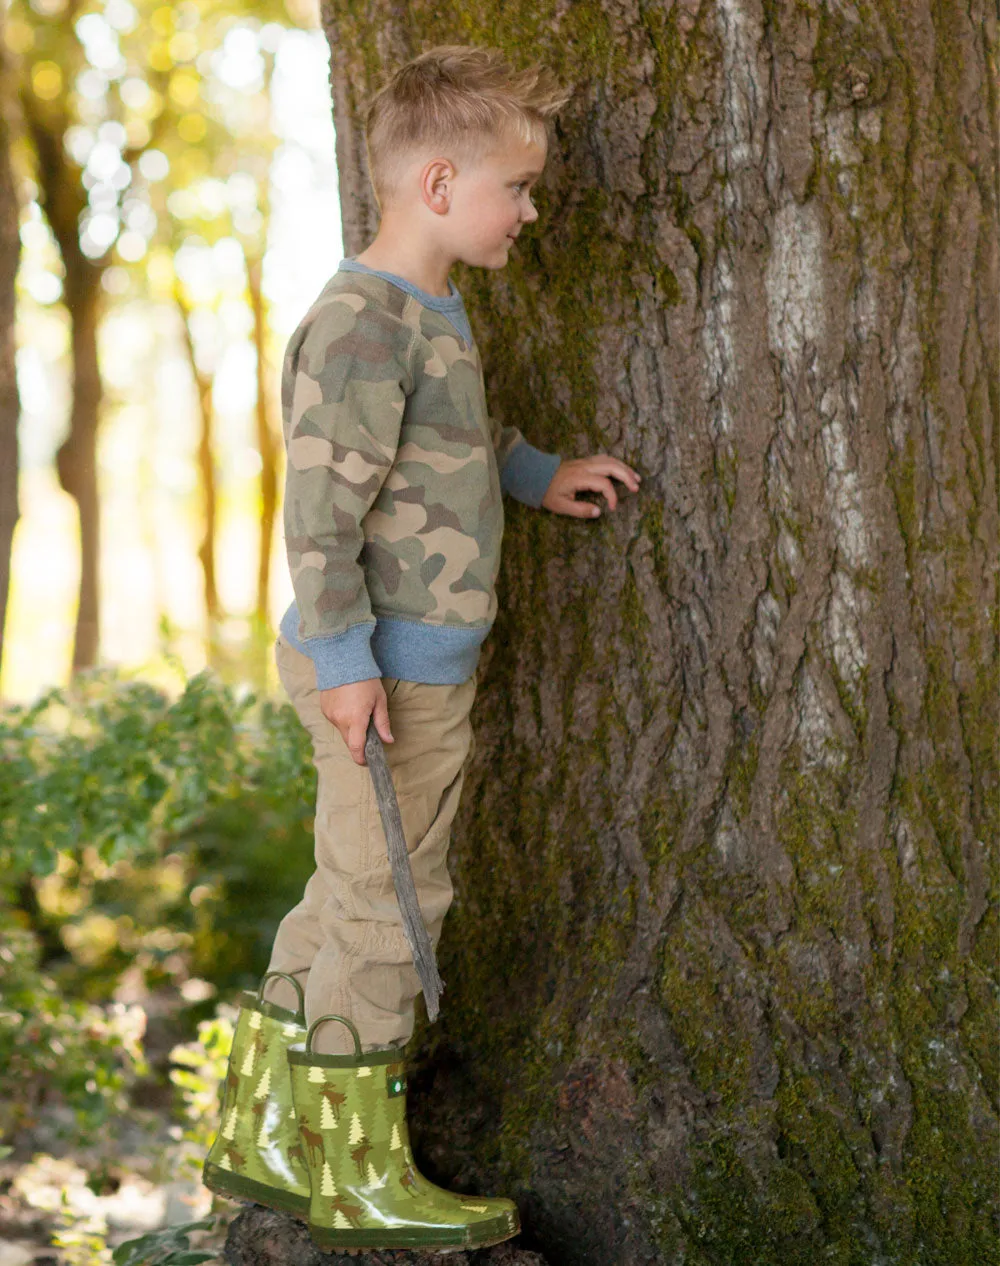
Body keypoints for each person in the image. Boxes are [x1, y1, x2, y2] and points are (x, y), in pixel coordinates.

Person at [203, 44, 641, 1252]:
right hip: (383, 679)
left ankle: (263, 1136)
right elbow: (319, 520)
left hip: (400, 668)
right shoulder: (358, 325)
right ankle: (357, 1176)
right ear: (439, 185)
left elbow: (450, 440)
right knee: (394, 906)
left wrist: (536, 474)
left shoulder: (427, 313)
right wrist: (346, 665)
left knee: (344, 896)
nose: (532, 209)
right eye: (518, 187)